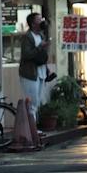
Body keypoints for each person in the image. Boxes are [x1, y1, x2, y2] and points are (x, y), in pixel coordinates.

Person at [10, 13, 53, 151]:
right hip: (29, 74)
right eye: (39, 20)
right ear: (33, 23)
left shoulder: (40, 35)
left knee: (37, 101)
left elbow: (41, 56)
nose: (41, 22)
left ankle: (34, 129)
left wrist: (47, 69)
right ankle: (32, 131)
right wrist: (40, 46)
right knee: (32, 103)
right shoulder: (28, 37)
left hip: (39, 73)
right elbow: (27, 54)